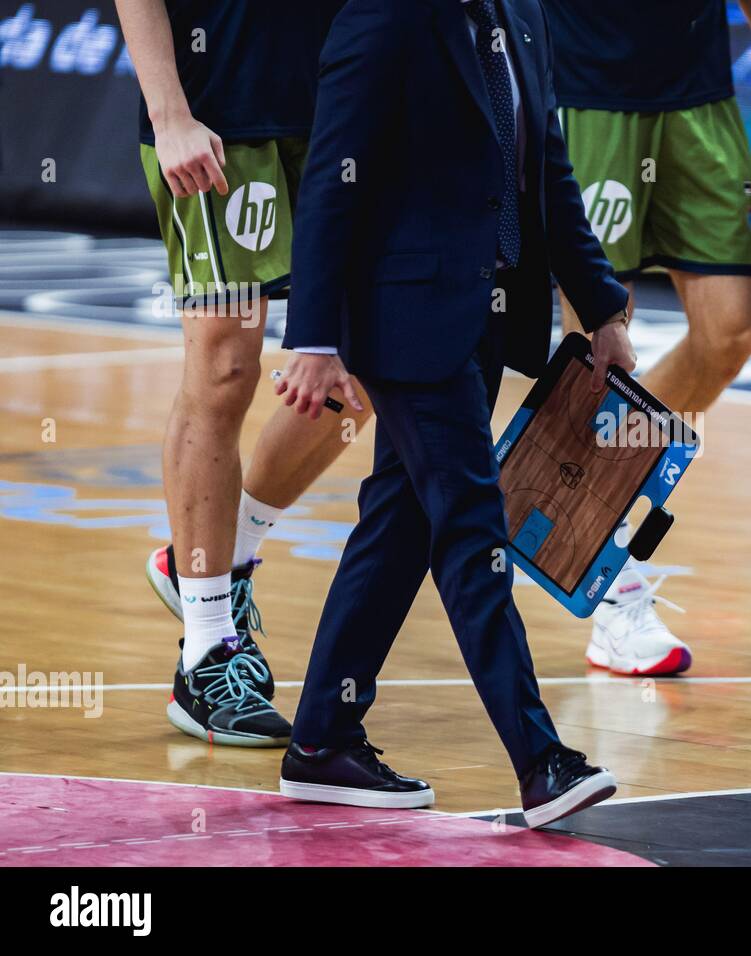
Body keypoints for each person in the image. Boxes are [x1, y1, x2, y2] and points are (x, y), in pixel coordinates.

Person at [273, 0, 629, 827]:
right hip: (403, 318)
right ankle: (539, 760)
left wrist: (602, 307)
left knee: (397, 527)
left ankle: (321, 739)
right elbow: (332, 174)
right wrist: (315, 336)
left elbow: (547, 169)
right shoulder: (385, 17)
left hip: (486, 318)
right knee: (473, 527)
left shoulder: (527, 14)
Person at [545, 0, 751, 675]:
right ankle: (609, 582)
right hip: (586, 89)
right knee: (601, 336)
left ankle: (579, 491)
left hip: (696, 95)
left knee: (731, 332)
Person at [118, 0, 372, 746]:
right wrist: (169, 118)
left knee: (371, 362)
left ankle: (217, 554)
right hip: (217, 111)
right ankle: (206, 648)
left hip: (338, 106)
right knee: (227, 360)